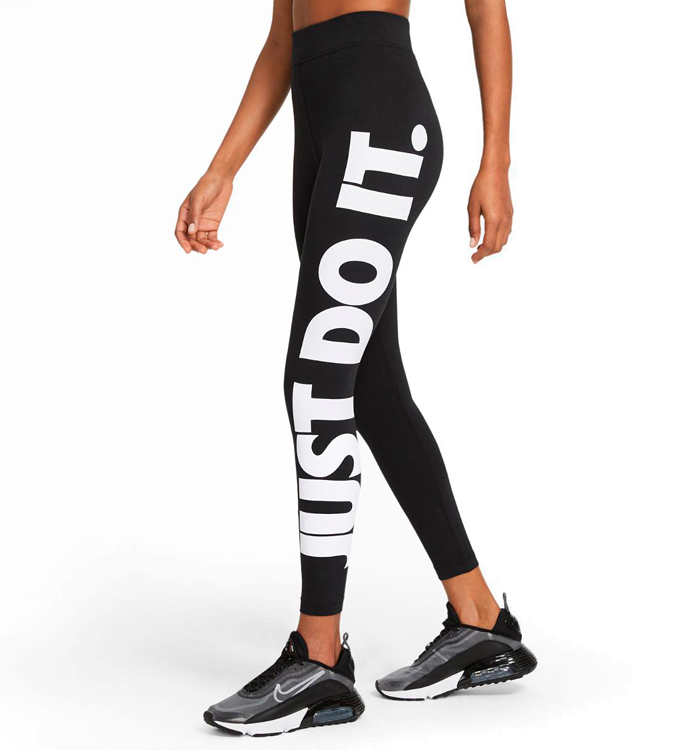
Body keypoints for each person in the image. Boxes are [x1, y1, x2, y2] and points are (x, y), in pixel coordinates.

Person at [175, 0, 536, 736]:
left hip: (379, 122)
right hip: (323, 127)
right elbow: (283, 38)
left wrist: (495, 160)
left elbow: (487, 10)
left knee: (318, 377)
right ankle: (480, 619)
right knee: (368, 385)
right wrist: (222, 170)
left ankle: (318, 657)